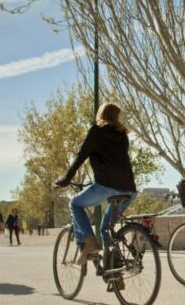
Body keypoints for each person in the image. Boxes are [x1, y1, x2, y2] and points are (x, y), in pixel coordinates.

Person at [55, 102, 138, 266]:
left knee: (75, 204)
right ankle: (114, 270)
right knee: (106, 228)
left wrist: (65, 179)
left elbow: (80, 156)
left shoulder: (96, 131)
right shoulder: (123, 135)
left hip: (105, 187)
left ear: (101, 115)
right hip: (129, 190)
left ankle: (89, 244)